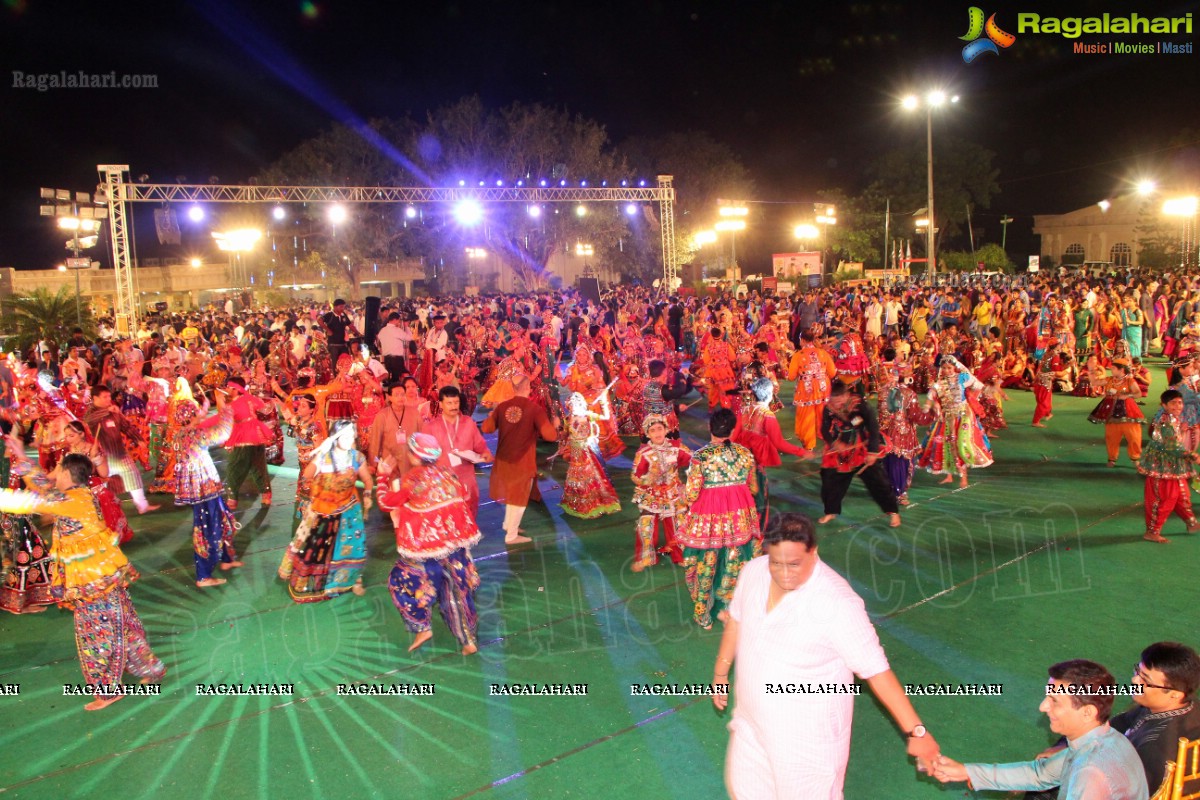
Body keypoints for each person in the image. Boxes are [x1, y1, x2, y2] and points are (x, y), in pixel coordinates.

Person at [712, 512, 940, 798]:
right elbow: (737, 619)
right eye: (776, 563)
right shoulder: (754, 571)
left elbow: (876, 671)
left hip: (807, 741)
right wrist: (721, 673)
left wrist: (916, 732)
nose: (784, 573)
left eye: (794, 564)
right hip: (751, 724)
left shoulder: (837, 603)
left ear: (814, 551)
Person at [0, 448, 166, 710]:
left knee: (95, 634)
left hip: (91, 584)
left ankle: (109, 690)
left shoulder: (71, 501)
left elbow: (31, 500)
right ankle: (150, 668)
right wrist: (22, 457)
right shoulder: (78, 495)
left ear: (67, 473)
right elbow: (43, 488)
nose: (53, 474)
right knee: (124, 623)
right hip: (104, 577)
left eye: (57, 469)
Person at [931, 659, 1148, 800]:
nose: (1043, 707)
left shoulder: (1090, 772)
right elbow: (1040, 773)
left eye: (1054, 701)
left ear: (1087, 712)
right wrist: (965, 771)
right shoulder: (1104, 739)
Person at [379, 433, 482, 655]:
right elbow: (464, 496)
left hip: (427, 550)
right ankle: (468, 640)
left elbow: (385, 503)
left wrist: (381, 477)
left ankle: (422, 627)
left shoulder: (413, 479)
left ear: (415, 456)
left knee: (400, 581)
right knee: (455, 590)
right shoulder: (448, 473)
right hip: (455, 544)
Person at [677, 408, 760, 630]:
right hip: (739, 514)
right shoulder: (745, 454)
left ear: (709, 428)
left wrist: (682, 495)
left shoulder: (701, 457)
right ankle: (732, 607)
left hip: (709, 516)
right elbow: (753, 487)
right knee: (735, 558)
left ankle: (704, 613)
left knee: (707, 560)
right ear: (733, 430)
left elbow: (692, 493)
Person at [280, 420, 374, 601]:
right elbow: (307, 475)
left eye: (351, 435)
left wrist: (368, 495)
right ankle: (323, 583)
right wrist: (319, 458)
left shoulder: (356, 457)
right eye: (344, 436)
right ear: (335, 438)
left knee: (353, 547)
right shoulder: (324, 457)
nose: (349, 439)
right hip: (324, 510)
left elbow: (367, 480)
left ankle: (353, 579)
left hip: (349, 510)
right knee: (316, 548)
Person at [170, 382, 240, 588]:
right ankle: (203, 576)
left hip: (205, 488)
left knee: (222, 517)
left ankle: (227, 560)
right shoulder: (194, 435)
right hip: (204, 491)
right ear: (191, 416)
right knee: (208, 529)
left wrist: (211, 403)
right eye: (197, 411)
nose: (201, 413)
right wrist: (225, 407)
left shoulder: (181, 434)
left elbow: (202, 419)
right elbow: (224, 432)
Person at [481, 374, 557, 545]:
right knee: (519, 497)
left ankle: (508, 525)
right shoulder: (534, 409)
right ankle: (511, 535)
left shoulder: (502, 407)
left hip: (503, 460)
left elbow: (486, 428)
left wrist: (493, 413)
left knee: (512, 493)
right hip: (522, 461)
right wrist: (556, 425)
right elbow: (549, 435)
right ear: (528, 387)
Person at [818, 382, 902, 528]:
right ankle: (831, 511)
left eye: (839, 401)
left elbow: (873, 427)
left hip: (863, 446)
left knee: (878, 481)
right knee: (829, 479)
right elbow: (824, 429)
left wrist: (872, 452)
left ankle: (893, 511)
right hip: (841, 449)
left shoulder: (860, 405)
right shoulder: (828, 408)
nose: (836, 404)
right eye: (833, 400)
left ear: (846, 395)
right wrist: (834, 443)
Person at [917, 355, 993, 489]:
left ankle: (964, 477)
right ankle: (949, 475)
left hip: (963, 416)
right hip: (947, 418)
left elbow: (978, 385)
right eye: (944, 368)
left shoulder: (962, 378)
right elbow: (930, 395)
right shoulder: (939, 383)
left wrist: (972, 399)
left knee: (961, 444)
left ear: (955, 367)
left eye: (949, 367)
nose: (947, 370)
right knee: (946, 445)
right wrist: (929, 406)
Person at [418, 386, 492, 521]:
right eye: (449, 403)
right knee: (447, 519)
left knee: (468, 514)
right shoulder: (430, 427)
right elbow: (424, 457)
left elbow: (479, 445)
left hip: (466, 479)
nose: (453, 406)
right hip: (442, 481)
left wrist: (485, 452)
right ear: (440, 404)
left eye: (456, 403)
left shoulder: (469, 423)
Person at [83, 386, 158, 514]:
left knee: (133, 476)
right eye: (104, 397)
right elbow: (89, 420)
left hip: (119, 453)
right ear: (95, 398)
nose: (108, 399)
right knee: (103, 484)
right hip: (102, 457)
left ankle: (142, 505)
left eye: (108, 396)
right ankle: (103, 509)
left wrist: (138, 439)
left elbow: (126, 426)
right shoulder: (91, 413)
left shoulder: (113, 411)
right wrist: (107, 410)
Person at [1138, 389, 1200, 544]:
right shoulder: (1166, 422)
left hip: (1174, 466)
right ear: (1164, 405)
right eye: (1173, 402)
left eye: (1180, 402)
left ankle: (1192, 523)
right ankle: (1152, 532)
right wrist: (1192, 455)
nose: (1178, 405)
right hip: (1162, 467)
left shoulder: (1174, 420)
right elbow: (1172, 446)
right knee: (1165, 499)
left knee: (1182, 495)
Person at [629, 414, 690, 572]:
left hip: (673, 492)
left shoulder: (676, 447)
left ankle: (682, 555)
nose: (657, 433)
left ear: (666, 430)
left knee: (678, 524)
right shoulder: (644, 453)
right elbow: (635, 476)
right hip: (651, 493)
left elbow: (693, 460)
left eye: (659, 429)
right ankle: (646, 557)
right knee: (646, 524)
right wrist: (648, 479)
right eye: (652, 430)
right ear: (647, 434)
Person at [560, 391, 621, 520]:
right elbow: (565, 436)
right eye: (571, 404)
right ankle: (578, 503)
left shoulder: (588, 416)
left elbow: (605, 417)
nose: (573, 406)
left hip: (586, 451)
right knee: (577, 477)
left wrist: (603, 402)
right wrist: (563, 447)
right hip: (575, 452)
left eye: (576, 404)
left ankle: (591, 503)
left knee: (591, 476)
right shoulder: (568, 419)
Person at [222, 376, 274, 509]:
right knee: (259, 466)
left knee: (234, 468)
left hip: (242, 437)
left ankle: (232, 499)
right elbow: (266, 409)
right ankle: (266, 495)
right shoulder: (250, 398)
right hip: (257, 435)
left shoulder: (231, 404)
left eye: (228, 386)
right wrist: (272, 400)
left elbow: (225, 422)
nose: (226, 389)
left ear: (236, 389)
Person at [1087, 358, 1144, 468]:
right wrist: (1091, 370)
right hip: (1111, 412)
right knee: (1111, 437)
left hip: (1128, 412)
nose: (1111, 370)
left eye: (1113, 368)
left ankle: (1135, 458)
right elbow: (1094, 382)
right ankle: (1112, 458)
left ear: (1121, 370)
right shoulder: (1109, 380)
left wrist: (1127, 396)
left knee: (1133, 436)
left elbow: (1138, 394)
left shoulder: (1129, 381)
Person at [787, 328, 837, 451]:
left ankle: (809, 445)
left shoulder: (798, 355)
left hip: (806, 389)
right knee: (822, 413)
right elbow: (832, 373)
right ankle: (824, 436)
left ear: (803, 340)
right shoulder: (823, 353)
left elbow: (791, 377)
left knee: (807, 416)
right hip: (823, 388)